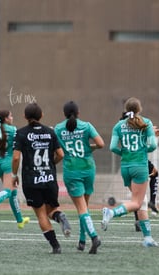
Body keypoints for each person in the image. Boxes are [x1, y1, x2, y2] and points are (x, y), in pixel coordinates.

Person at [12, 103, 71, 254]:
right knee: (51, 210)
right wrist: (51, 164)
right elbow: (61, 155)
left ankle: (55, 246)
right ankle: (60, 216)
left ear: (25, 117)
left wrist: (14, 175)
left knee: (41, 214)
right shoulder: (50, 132)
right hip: (49, 178)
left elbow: (16, 158)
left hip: (32, 180)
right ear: (42, 115)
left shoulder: (21, 133)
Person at [102, 97, 158, 247]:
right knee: (137, 202)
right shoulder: (146, 123)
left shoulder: (119, 125)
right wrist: (142, 149)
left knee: (142, 202)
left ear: (126, 110)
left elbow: (113, 147)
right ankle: (111, 213)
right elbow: (153, 146)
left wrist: (126, 153)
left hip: (125, 167)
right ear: (140, 109)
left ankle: (147, 238)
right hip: (139, 166)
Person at [54, 101, 103, 254]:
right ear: (78, 112)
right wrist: (89, 148)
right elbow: (101, 144)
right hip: (88, 169)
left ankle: (94, 237)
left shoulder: (58, 129)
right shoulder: (86, 126)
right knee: (85, 208)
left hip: (72, 171)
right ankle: (82, 241)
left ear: (64, 114)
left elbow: (57, 153)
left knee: (81, 208)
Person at [134, 160, 159, 232]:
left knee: (136, 194)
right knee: (155, 174)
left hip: (126, 164)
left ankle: (138, 220)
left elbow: (114, 148)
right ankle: (112, 213)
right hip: (140, 160)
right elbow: (152, 148)